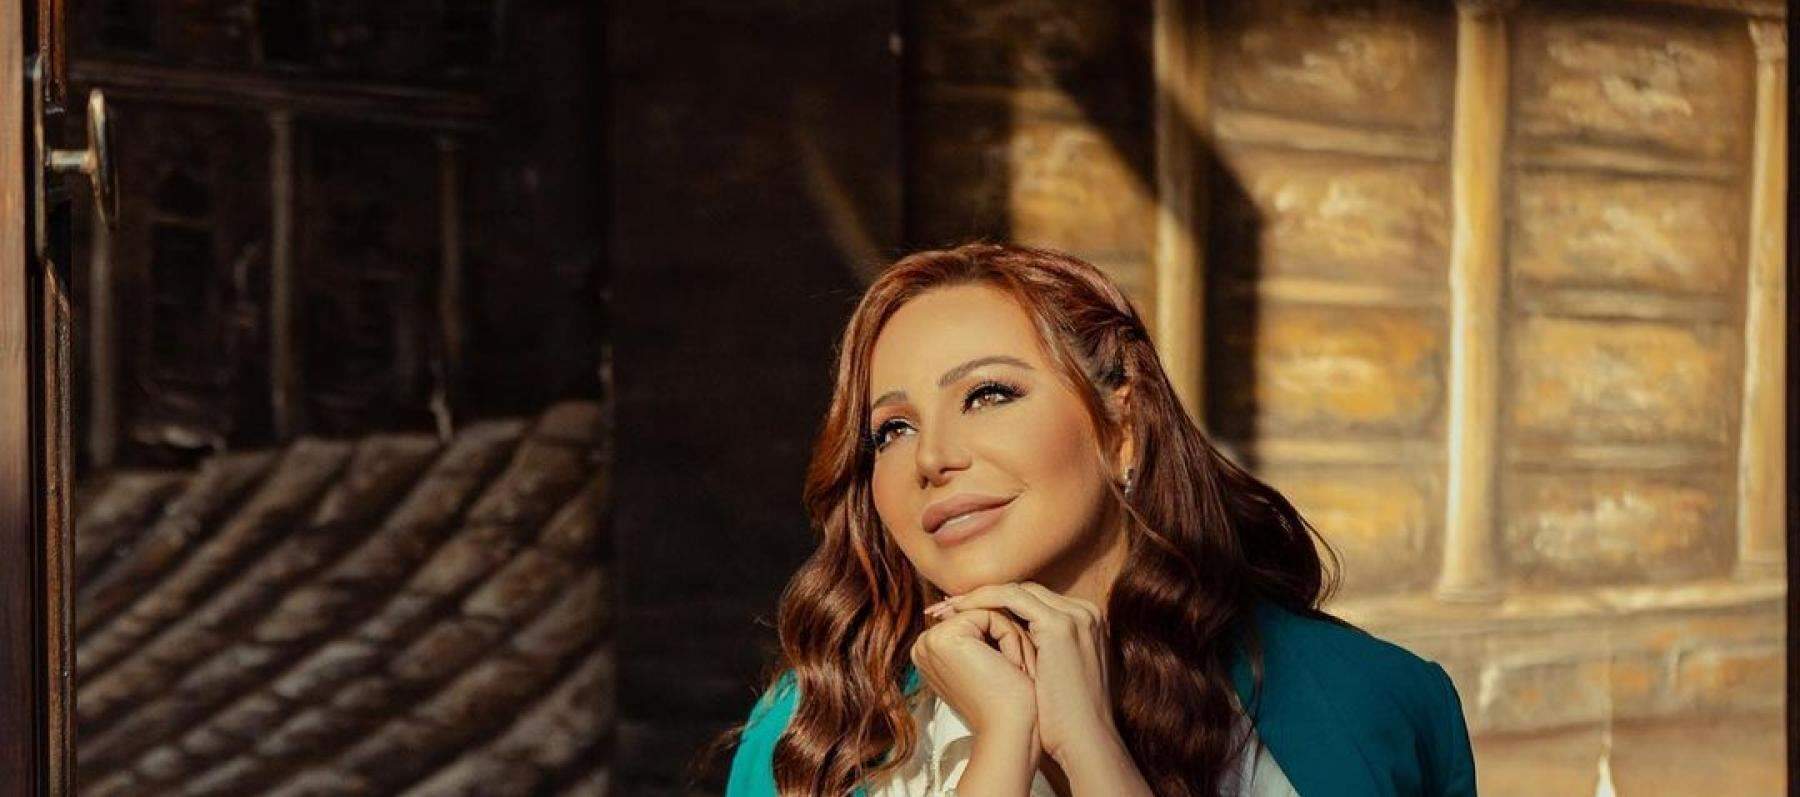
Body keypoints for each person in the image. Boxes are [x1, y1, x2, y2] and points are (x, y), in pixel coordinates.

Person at [712, 243, 1477, 796]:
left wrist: (1088, 743)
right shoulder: (805, 735)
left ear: (1122, 427)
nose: (932, 457)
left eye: (988, 394)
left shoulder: (1376, 701)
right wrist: (1003, 740)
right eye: (892, 429)